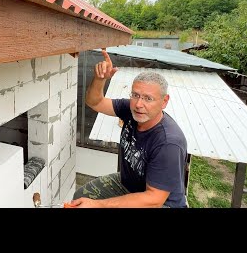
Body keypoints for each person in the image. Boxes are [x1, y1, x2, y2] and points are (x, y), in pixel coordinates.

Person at [69, 49, 188, 208]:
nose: (139, 104)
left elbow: (154, 199)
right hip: (130, 184)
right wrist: (100, 79)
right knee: (80, 198)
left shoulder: (168, 143)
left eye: (148, 98)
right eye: (135, 95)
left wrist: (99, 205)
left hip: (159, 203)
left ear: (164, 101)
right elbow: (95, 102)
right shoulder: (131, 109)